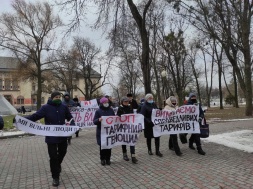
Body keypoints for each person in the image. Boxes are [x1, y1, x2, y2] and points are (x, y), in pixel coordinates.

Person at [25, 91, 74, 187]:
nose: (58, 98)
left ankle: (57, 165)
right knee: (53, 157)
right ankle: (55, 177)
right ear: (52, 98)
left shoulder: (64, 107)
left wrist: (72, 125)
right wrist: (22, 119)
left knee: (63, 152)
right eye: (56, 97)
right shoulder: (45, 108)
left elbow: (70, 118)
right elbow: (35, 116)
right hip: (51, 137)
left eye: (59, 97)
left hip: (62, 136)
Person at [93, 97, 115, 166]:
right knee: (102, 146)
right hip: (101, 132)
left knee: (109, 146)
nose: (106, 103)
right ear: (102, 103)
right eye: (105, 102)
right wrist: (98, 120)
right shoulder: (98, 111)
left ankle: (108, 159)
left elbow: (114, 119)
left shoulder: (111, 110)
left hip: (109, 131)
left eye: (107, 102)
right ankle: (102, 159)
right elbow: (94, 121)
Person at [117, 96, 138, 164]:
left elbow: (132, 115)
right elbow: (118, 117)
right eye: (125, 102)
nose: (126, 103)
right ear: (122, 102)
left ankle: (133, 156)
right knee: (124, 141)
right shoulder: (120, 108)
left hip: (130, 127)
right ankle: (125, 154)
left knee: (132, 141)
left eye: (127, 101)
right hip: (123, 127)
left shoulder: (130, 107)